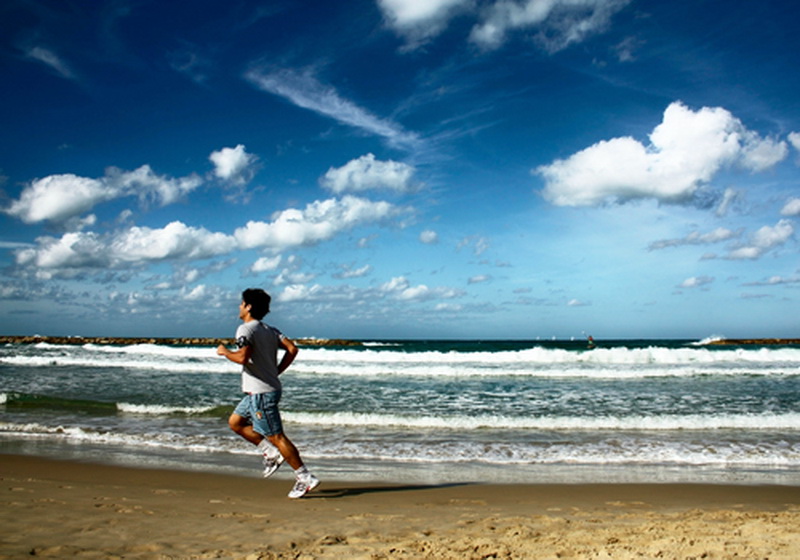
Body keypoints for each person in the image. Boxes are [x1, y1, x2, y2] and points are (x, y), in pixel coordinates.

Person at [216, 288, 319, 499]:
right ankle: (270, 452)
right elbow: (292, 349)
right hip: (259, 392)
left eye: (241, 303)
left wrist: (225, 352)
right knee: (236, 423)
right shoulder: (270, 330)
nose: (239, 306)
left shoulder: (245, 329)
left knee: (277, 436)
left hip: (261, 393)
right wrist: (276, 371)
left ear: (249, 306)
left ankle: (304, 477)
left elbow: (243, 357)